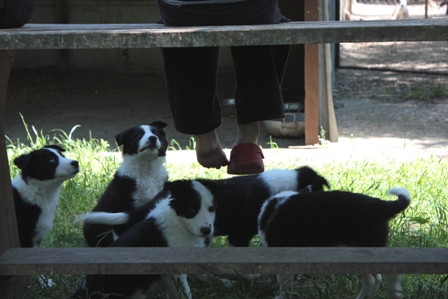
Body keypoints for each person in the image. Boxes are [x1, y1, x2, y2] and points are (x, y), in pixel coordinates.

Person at [157, 0, 291, 175]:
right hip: (251, 8)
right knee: (261, 22)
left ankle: (204, 136)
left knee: (184, 23)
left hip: (184, 9)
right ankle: (248, 139)